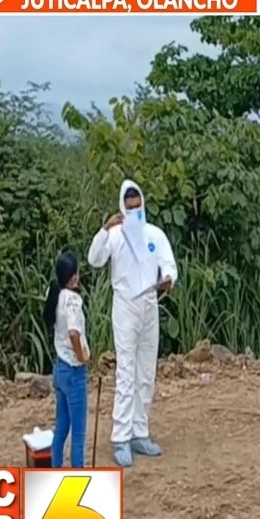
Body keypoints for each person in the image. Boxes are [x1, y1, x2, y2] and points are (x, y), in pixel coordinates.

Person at [88, 179, 178, 468]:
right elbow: (94, 260)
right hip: (125, 306)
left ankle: (140, 431)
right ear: (121, 208)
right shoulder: (114, 236)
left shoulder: (154, 234)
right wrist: (104, 230)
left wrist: (168, 280)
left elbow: (169, 265)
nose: (135, 213)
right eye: (130, 209)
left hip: (150, 305)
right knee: (126, 371)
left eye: (138, 208)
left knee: (146, 372)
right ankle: (120, 436)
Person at [43, 252, 90, 468]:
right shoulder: (73, 301)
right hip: (73, 370)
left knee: (61, 427)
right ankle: (78, 480)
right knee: (79, 434)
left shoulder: (55, 294)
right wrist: (83, 357)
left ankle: (56, 470)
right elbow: (73, 333)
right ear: (73, 277)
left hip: (60, 368)